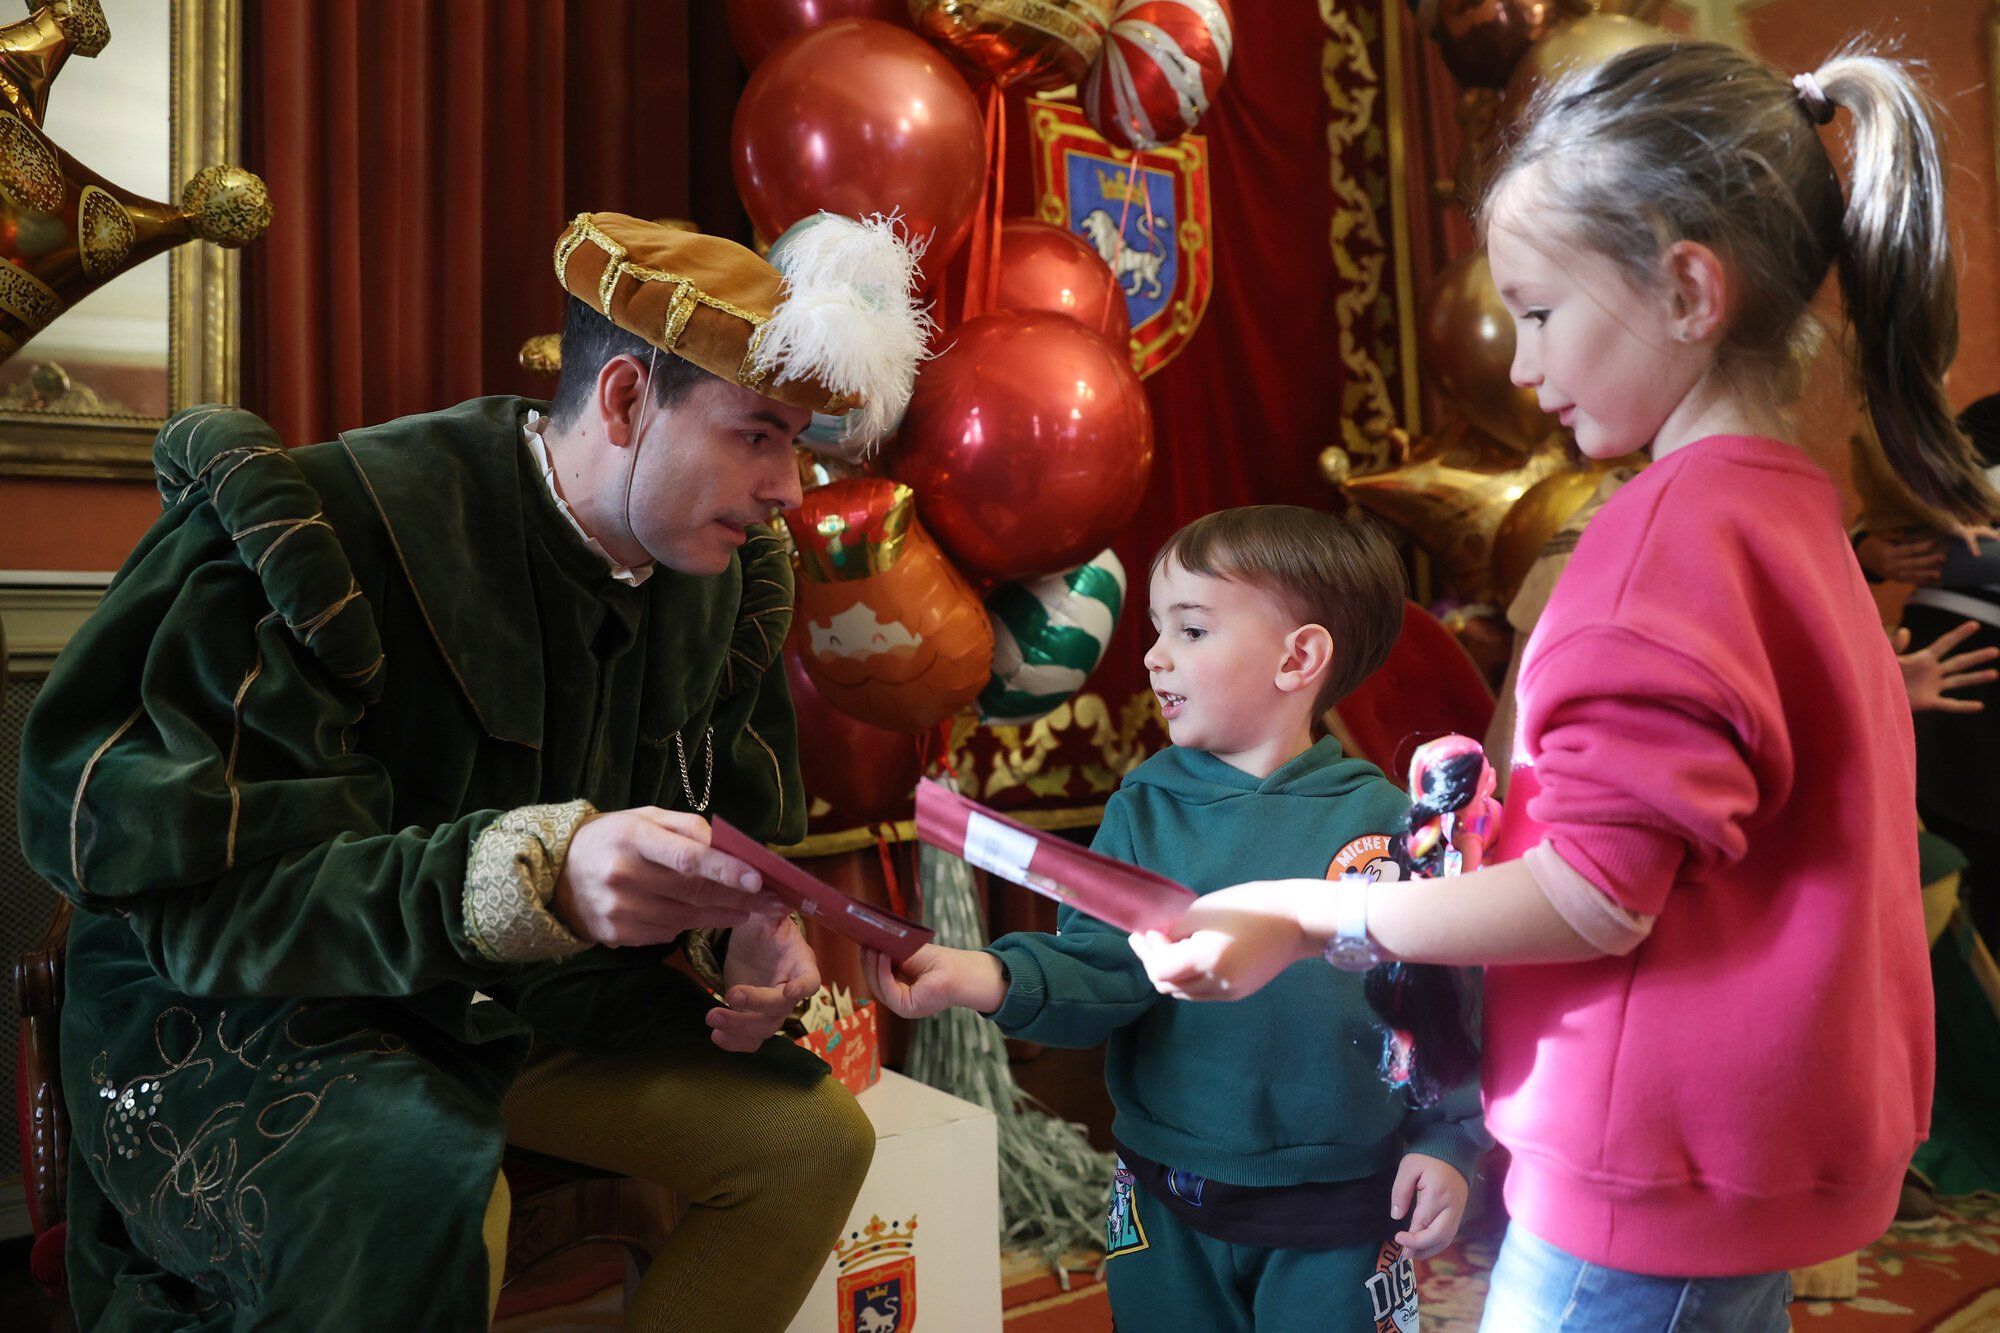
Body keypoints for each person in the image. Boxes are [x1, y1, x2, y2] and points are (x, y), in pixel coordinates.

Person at [1125, 41, 2000, 1332]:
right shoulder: (1791, 509)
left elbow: (1594, 899)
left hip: (1648, 1161)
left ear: (1690, 288)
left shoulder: (1655, 545)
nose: (1523, 366)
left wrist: (1306, 912)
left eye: (1539, 311)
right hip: (1750, 1144)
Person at [17, 211, 928, 1331]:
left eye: (795, 440)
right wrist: (528, 873)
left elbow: (722, 824)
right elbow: (209, 909)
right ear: (627, 399)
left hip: (531, 1012)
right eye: (756, 435)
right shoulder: (329, 531)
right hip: (266, 1014)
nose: (791, 484)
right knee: (418, 1192)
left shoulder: (722, 580)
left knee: (808, 1142)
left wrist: (735, 934)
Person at [868, 506, 1485, 1333]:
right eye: (1157, 628)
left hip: (1342, 1209)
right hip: (1165, 1197)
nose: (1154, 655)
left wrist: (1449, 1144)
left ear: (1299, 656)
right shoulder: (1145, 806)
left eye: (1190, 630)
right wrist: (984, 973)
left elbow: (1445, 1008)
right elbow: (1102, 966)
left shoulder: (1393, 828)